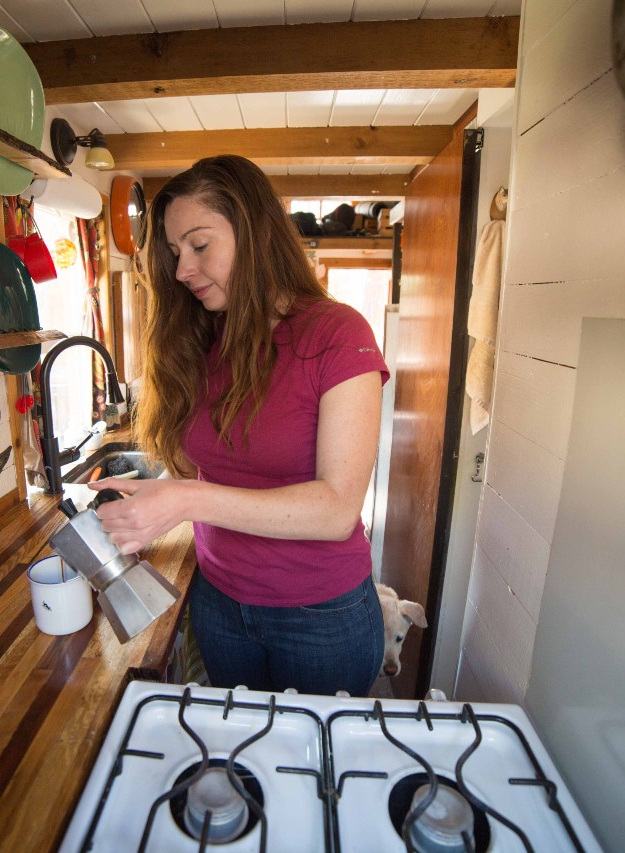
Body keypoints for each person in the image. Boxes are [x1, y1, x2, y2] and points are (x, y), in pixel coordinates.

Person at [88, 155, 389, 697]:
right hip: (220, 603)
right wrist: (155, 496)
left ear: (254, 233)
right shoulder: (202, 340)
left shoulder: (337, 334)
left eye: (199, 246)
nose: (182, 270)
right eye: (176, 252)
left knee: (309, 773)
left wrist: (183, 500)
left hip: (320, 616)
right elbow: (217, 470)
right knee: (240, 765)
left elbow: (337, 511)